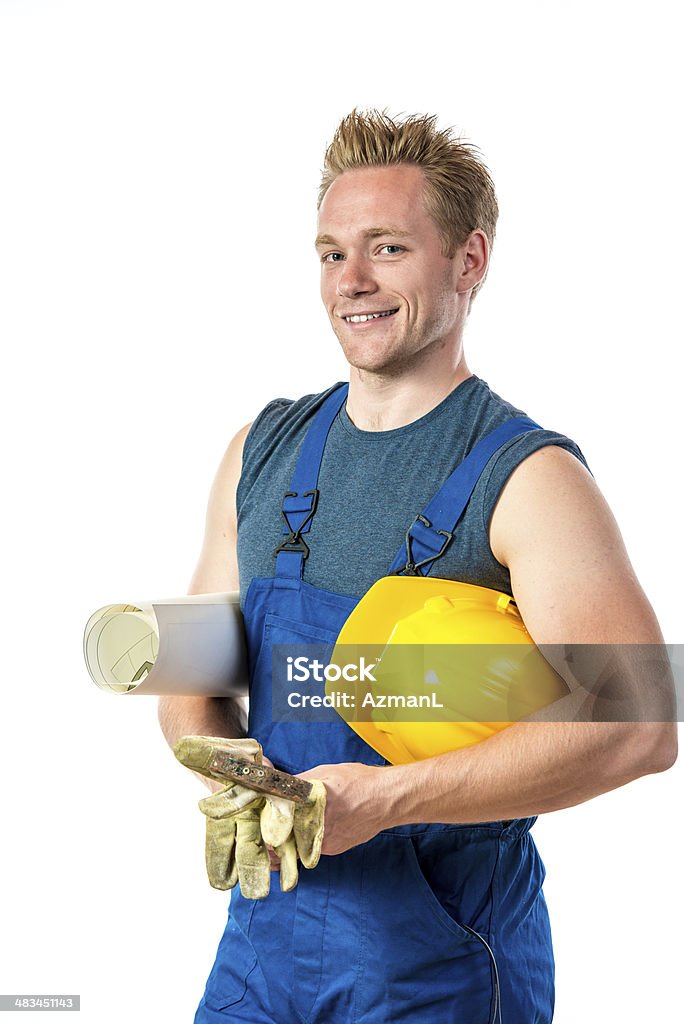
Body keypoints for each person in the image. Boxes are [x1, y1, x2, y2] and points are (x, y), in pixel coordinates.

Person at [159, 110, 677, 1023]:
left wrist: (390, 800)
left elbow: (639, 723)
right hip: (262, 940)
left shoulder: (528, 478)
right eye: (330, 253)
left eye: (387, 248)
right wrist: (240, 779)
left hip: (437, 956)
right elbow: (190, 680)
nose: (350, 281)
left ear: (469, 261)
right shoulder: (261, 451)